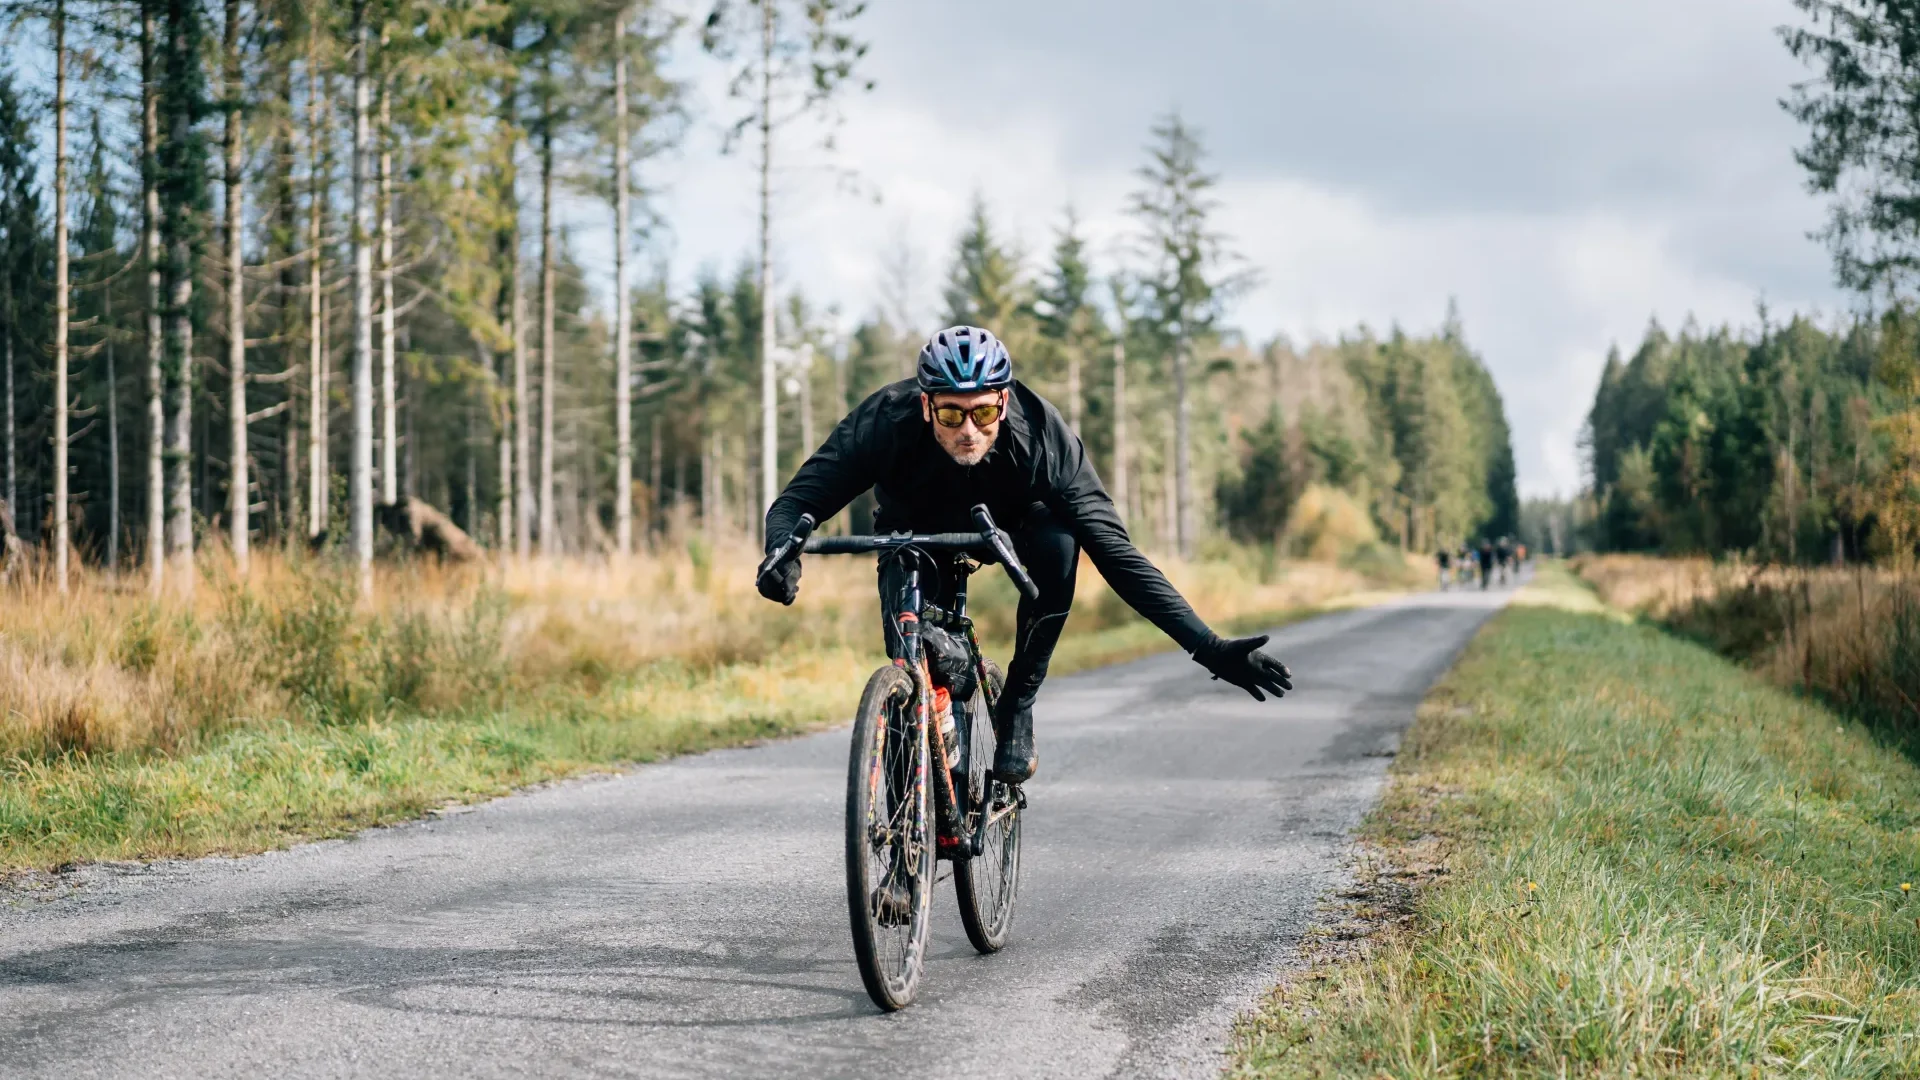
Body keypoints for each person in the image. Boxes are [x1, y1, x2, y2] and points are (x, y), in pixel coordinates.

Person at [755, 326, 1293, 784]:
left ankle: (1016, 704)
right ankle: (902, 857)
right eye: (950, 414)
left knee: (1064, 542)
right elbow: (798, 502)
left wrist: (1209, 648)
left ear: (1004, 400)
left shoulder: (1041, 437)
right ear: (925, 404)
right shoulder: (884, 421)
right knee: (910, 675)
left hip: (1018, 529)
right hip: (913, 535)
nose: (968, 430)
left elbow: (1118, 556)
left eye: (983, 411)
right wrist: (781, 556)